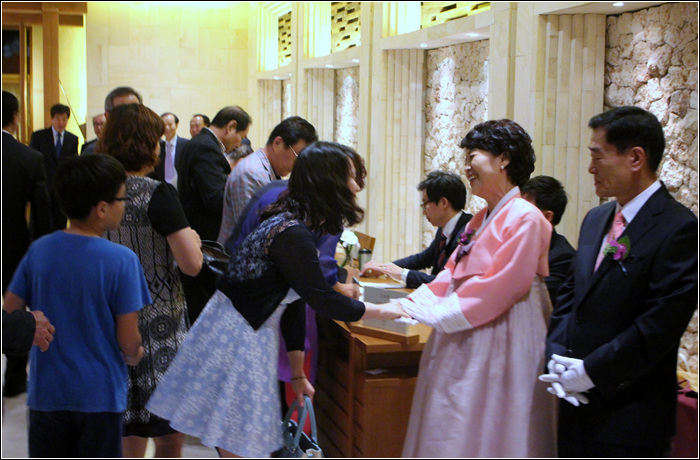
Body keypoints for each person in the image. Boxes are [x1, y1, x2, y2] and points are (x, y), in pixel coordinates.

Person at [146, 142, 408, 458]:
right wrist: (386, 310)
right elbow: (322, 299)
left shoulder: (295, 224)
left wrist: (297, 375)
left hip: (246, 332)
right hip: (238, 337)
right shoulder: (291, 232)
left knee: (238, 441)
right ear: (328, 182)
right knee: (239, 441)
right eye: (350, 177)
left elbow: (294, 300)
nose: (356, 187)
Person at [540, 106, 698, 457]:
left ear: (636, 158)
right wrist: (556, 355)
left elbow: (659, 325)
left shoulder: (678, 227)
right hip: (573, 405)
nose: (590, 168)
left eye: (598, 156)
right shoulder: (596, 219)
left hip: (629, 416)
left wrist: (591, 372)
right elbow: (570, 295)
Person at [394, 119, 556, 457]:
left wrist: (442, 312)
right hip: (468, 322)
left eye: (473, 156)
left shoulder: (526, 217)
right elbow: (451, 272)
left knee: (493, 419)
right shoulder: (480, 218)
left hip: (506, 328)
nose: (466, 167)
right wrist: (411, 304)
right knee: (454, 417)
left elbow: (506, 284)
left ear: (504, 159)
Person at [3, 154, 150, 458]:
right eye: (121, 198)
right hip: (100, 396)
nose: (124, 205)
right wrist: (135, 353)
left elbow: (10, 310)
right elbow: (127, 339)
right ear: (102, 208)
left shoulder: (39, 250)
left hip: (47, 394)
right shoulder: (122, 261)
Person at [97, 103, 203, 458]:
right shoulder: (157, 193)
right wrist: (194, 241)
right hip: (160, 329)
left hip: (111, 322)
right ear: (147, 144)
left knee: (128, 434)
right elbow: (191, 264)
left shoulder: (97, 192)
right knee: (168, 438)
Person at [177, 105, 251, 324]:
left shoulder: (200, 143)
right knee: (203, 313)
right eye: (241, 137)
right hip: (205, 240)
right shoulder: (205, 147)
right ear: (231, 127)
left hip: (199, 237)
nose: (238, 144)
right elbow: (215, 199)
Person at [2, 91, 53, 398]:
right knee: (16, 309)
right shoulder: (29, 158)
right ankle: (14, 378)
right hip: (14, 246)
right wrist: (41, 251)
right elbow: (42, 215)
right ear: (16, 117)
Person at [360, 171, 473, 288]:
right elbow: (424, 258)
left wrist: (403, 273)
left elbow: (447, 283)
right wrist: (384, 268)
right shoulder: (445, 227)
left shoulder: (469, 232)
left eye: (425, 204)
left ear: (443, 202)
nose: (423, 212)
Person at [217, 116, 317, 245]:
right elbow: (254, 231)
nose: (298, 165)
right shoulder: (251, 173)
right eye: (298, 157)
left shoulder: (269, 170)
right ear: (277, 143)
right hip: (238, 254)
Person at [521, 175, 576, 306]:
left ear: (547, 217)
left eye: (524, 210)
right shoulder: (518, 243)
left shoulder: (563, 257)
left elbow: (530, 296)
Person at [29, 103, 79, 231]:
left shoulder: (72, 139)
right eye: (57, 119)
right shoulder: (39, 136)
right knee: (40, 223)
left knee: (60, 223)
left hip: (62, 189)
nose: (60, 122)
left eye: (64, 119)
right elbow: (32, 161)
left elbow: (73, 164)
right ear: (52, 119)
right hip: (42, 187)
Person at [82, 87, 143, 155]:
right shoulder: (94, 151)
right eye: (122, 111)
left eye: (135, 109)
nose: (131, 115)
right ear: (108, 116)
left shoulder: (150, 147)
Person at [149, 112, 189, 185]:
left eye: (170, 124)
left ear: (176, 125)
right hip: (163, 186)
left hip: (182, 186)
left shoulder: (186, 145)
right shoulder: (158, 147)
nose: (167, 128)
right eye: (164, 125)